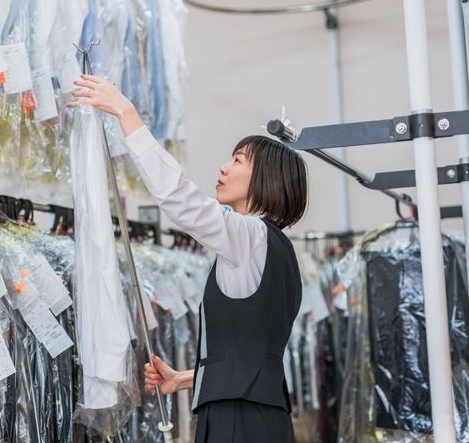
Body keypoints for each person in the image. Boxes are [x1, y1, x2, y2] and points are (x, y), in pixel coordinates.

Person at [69, 74, 308, 443]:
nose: (223, 168)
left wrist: (126, 111)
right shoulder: (275, 249)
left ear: (267, 177)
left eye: (238, 160)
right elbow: (250, 355)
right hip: (257, 416)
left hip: (239, 421)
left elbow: (181, 199)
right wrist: (183, 379)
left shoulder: (249, 236)